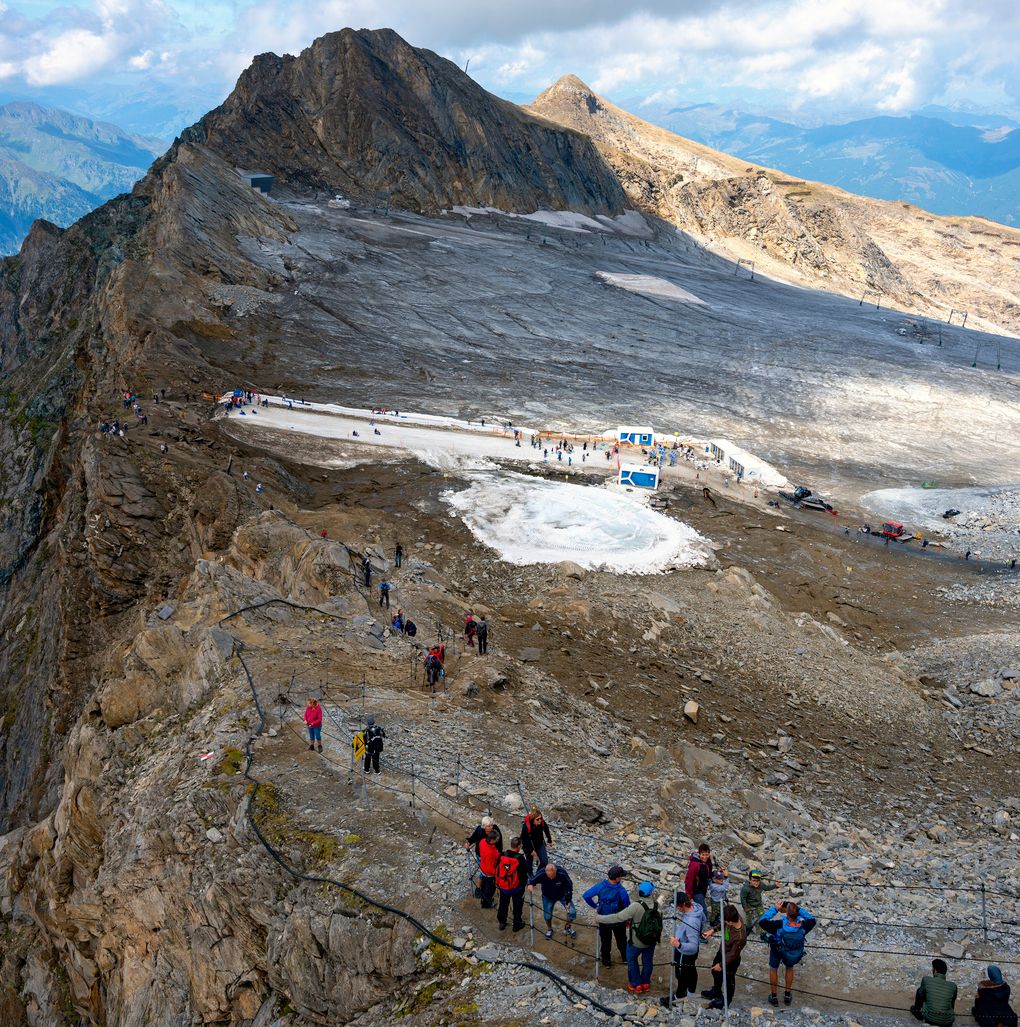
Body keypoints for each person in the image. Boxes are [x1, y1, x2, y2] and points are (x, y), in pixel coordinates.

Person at [596, 881, 662, 993]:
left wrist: (599, 918)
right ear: (651, 893)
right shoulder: (658, 906)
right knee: (647, 961)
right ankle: (645, 983)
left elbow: (618, 917)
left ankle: (635, 984)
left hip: (636, 941)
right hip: (651, 941)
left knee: (632, 960)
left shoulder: (636, 906)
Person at [760, 900, 816, 1007]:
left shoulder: (779, 925)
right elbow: (812, 919)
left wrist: (775, 909)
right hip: (792, 953)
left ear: (786, 913)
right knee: (789, 968)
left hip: (777, 950)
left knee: (773, 969)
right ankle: (787, 995)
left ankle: (774, 997)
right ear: (797, 913)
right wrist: (798, 909)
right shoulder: (803, 925)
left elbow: (762, 921)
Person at [583, 865, 630, 968]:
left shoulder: (601, 886)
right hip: (618, 920)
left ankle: (606, 962)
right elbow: (627, 905)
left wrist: (595, 906)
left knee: (605, 941)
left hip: (603, 919)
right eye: (621, 876)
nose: (621, 878)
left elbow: (586, 895)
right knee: (622, 940)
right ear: (617, 878)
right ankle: (625, 958)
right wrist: (628, 919)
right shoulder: (621, 890)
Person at [668, 893, 713, 1001]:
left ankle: (679, 996)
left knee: (682, 975)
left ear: (684, 904)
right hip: (688, 949)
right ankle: (690, 992)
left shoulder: (691, 922)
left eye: (678, 906)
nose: (677, 909)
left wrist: (679, 945)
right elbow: (704, 919)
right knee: (691, 969)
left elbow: (693, 946)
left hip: (685, 952)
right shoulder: (696, 907)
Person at [703, 904, 746, 1008]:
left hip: (730, 961)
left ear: (730, 922)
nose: (724, 922)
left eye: (726, 921)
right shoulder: (733, 918)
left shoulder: (740, 937)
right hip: (722, 952)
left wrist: (721, 965)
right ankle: (717, 992)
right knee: (715, 971)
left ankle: (726, 1001)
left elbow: (733, 954)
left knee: (728, 980)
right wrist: (713, 930)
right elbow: (723, 924)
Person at [527, 863, 576, 940]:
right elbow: (532, 880)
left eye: (553, 876)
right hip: (548, 897)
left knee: (572, 912)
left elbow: (569, 886)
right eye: (549, 876)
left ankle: (567, 927)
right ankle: (549, 929)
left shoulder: (562, 873)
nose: (551, 878)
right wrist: (530, 884)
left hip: (562, 895)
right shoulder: (541, 873)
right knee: (547, 916)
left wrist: (568, 900)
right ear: (545, 872)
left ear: (556, 871)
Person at [495, 837, 529, 932]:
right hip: (517, 888)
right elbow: (525, 872)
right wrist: (524, 884)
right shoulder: (520, 858)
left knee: (503, 904)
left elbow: (497, 869)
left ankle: (502, 922)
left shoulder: (502, 855)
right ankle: (516, 925)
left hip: (504, 886)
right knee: (517, 906)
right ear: (518, 846)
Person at [911, 958, 958, 1025]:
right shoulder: (953, 986)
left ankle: (917, 1011)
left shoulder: (926, 980)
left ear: (935, 970)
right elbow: (952, 1003)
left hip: (929, 1018)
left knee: (920, 990)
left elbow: (921, 994)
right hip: (947, 1021)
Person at [520, 807, 553, 872]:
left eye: (541, 818)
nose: (540, 820)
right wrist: (531, 850)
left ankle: (538, 873)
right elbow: (524, 839)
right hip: (528, 845)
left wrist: (549, 840)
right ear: (533, 820)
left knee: (544, 861)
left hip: (539, 844)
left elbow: (546, 829)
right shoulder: (526, 826)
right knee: (529, 862)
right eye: (537, 819)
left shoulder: (541, 823)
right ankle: (529, 874)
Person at [685, 843, 714, 914]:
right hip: (696, 891)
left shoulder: (708, 862)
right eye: (703, 855)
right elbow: (689, 880)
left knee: (699, 908)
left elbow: (709, 874)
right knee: (703, 911)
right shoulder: (694, 865)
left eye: (707, 855)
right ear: (699, 854)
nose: (705, 857)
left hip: (703, 889)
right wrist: (689, 894)